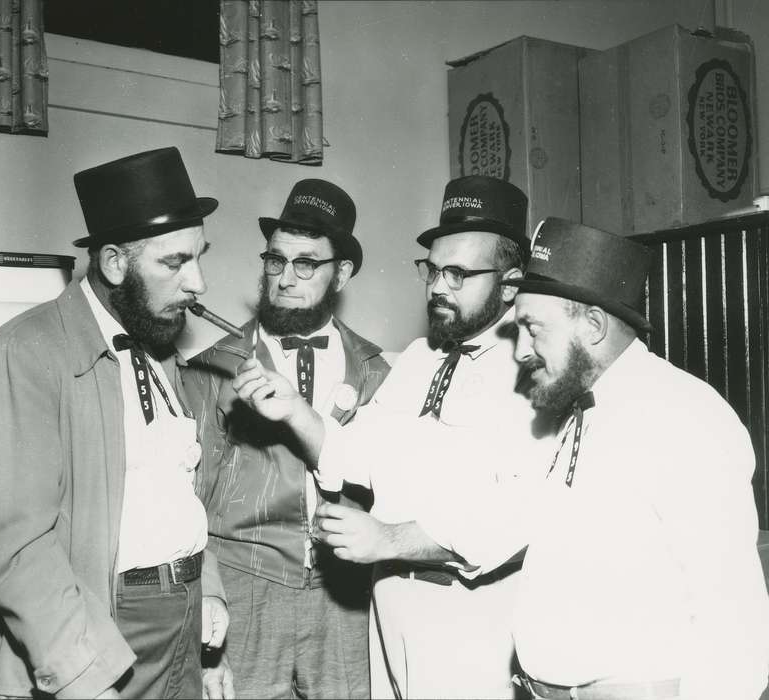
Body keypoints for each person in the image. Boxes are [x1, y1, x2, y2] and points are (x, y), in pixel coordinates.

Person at [314, 218, 769, 700]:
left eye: (533, 329)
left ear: (594, 326)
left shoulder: (683, 418)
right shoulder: (576, 408)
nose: (519, 352)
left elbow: (735, 618)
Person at [231, 175, 556, 699]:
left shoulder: (536, 371)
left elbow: (513, 516)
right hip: (390, 607)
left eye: (457, 273)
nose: (436, 287)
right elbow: (352, 452)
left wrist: (387, 539)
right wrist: (294, 410)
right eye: (431, 269)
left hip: (472, 618)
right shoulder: (420, 359)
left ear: (511, 283)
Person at [0, 147, 229, 700]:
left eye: (200, 257)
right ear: (112, 263)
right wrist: (83, 676)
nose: (198, 282)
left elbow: (172, 494)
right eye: (175, 262)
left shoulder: (159, 346)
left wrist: (210, 597)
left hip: (183, 623)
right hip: (92, 632)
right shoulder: (23, 353)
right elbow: (14, 544)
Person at [181, 179, 391, 699]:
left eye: (306, 264)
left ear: (341, 272)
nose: (285, 279)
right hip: (242, 589)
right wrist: (209, 608)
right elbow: (185, 504)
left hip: (346, 597)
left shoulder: (378, 372)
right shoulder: (213, 370)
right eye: (276, 261)